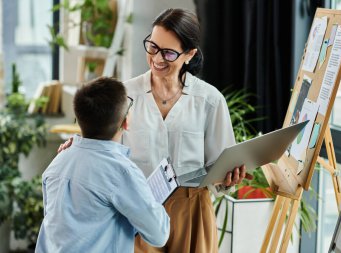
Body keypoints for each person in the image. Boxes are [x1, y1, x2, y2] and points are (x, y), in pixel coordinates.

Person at [57, 8, 252, 253]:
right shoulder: (124, 95)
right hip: (137, 208)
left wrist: (228, 178)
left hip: (191, 212)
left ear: (189, 55)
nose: (157, 58)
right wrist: (80, 146)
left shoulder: (210, 100)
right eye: (152, 47)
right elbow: (101, 142)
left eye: (169, 52)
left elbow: (220, 168)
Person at [36, 77, 170, 253]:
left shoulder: (58, 162)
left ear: (78, 118)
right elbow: (159, 234)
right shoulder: (122, 172)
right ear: (126, 121)